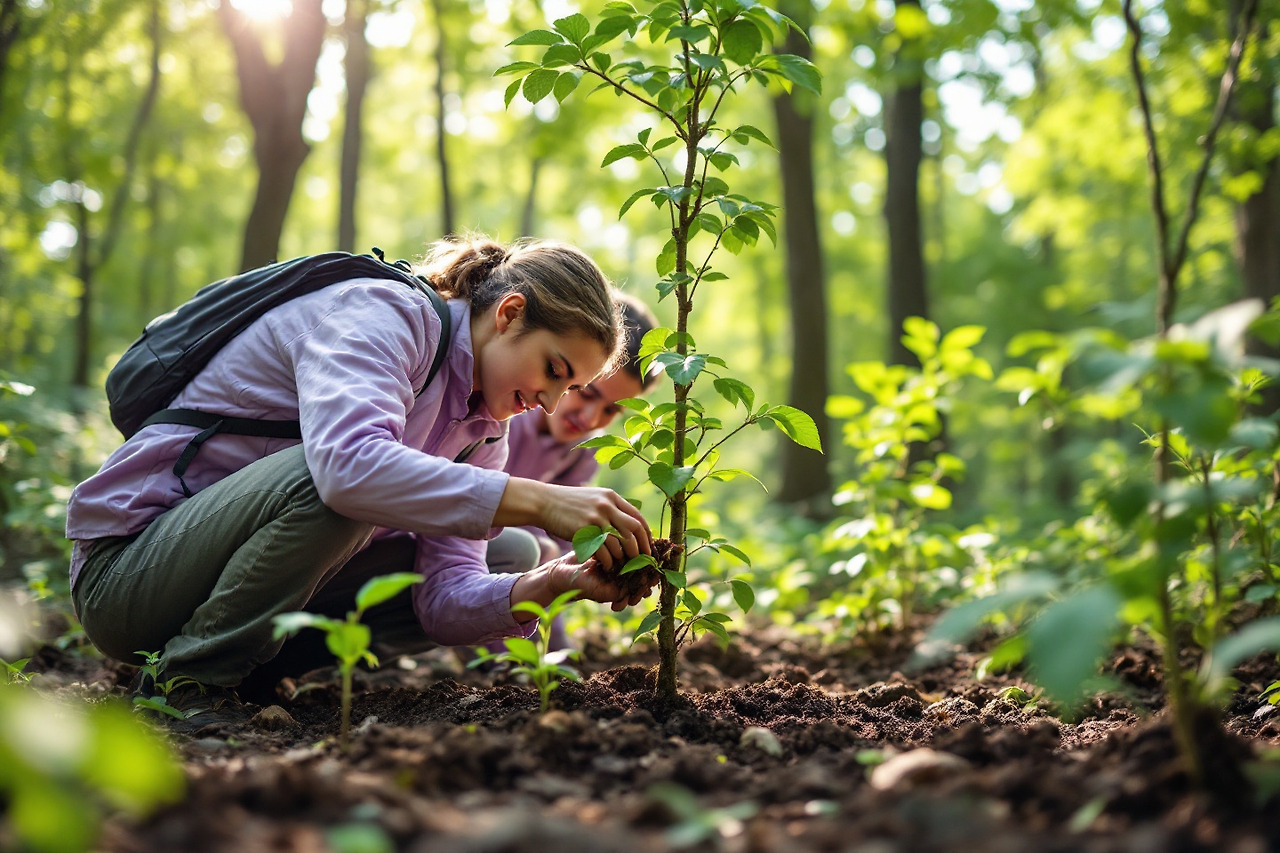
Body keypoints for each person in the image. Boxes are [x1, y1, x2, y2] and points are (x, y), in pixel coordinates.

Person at [64, 235, 655, 727]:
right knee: (344, 482)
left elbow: (443, 599)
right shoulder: (384, 314)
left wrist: (549, 585)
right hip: (130, 578)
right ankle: (189, 681)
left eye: (570, 387)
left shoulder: (482, 433)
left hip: (244, 583)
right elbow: (347, 470)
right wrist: (541, 501)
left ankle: (253, 665)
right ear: (508, 315)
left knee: (509, 552)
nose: (552, 404)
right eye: (554, 370)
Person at [485, 294, 662, 651]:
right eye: (586, 392)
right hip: (457, 551)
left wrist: (559, 653)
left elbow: (566, 555)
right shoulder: (507, 411)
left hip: (508, 568)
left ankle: (537, 660)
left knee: (543, 551)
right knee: (530, 550)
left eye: (611, 410)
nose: (590, 419)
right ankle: (504, 661)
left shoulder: (580, 454)